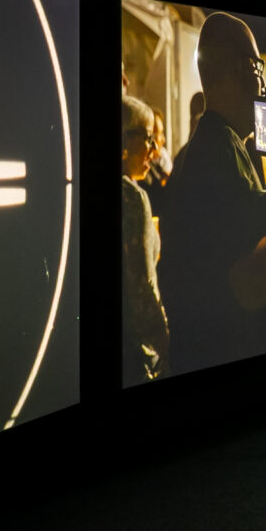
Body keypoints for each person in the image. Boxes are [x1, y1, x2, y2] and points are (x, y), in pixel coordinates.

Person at [155, 13, 266, 377]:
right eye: (257, 66)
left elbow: (251, 227)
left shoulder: (220, 144)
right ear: (235, 70)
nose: (262, 83)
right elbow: (251, 283)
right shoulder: (217, 153)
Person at [118, 95, 169, 384]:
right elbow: (143, 288)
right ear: (125, 142)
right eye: (148, 138)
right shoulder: (134, 198)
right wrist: (164, 339)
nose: (153, 149)